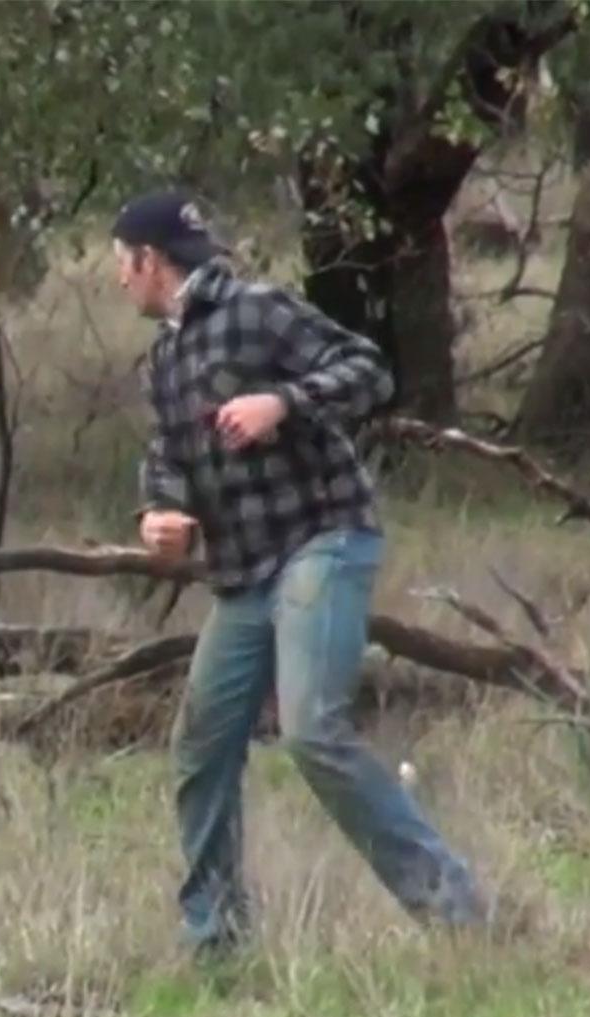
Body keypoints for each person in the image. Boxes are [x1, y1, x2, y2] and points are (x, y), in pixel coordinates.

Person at [110, 187, 487, 954]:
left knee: (313, 730)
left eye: (122, 265)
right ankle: (215, 938)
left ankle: (456, 911)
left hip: (322, 541)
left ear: (151, 262)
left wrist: (282, 401)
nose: (119, 281)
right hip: (244, 575)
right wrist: (159, 515)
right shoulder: (165, 360)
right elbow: (169, 461)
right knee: (202, 743)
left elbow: (369, 371)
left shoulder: (256, 310)